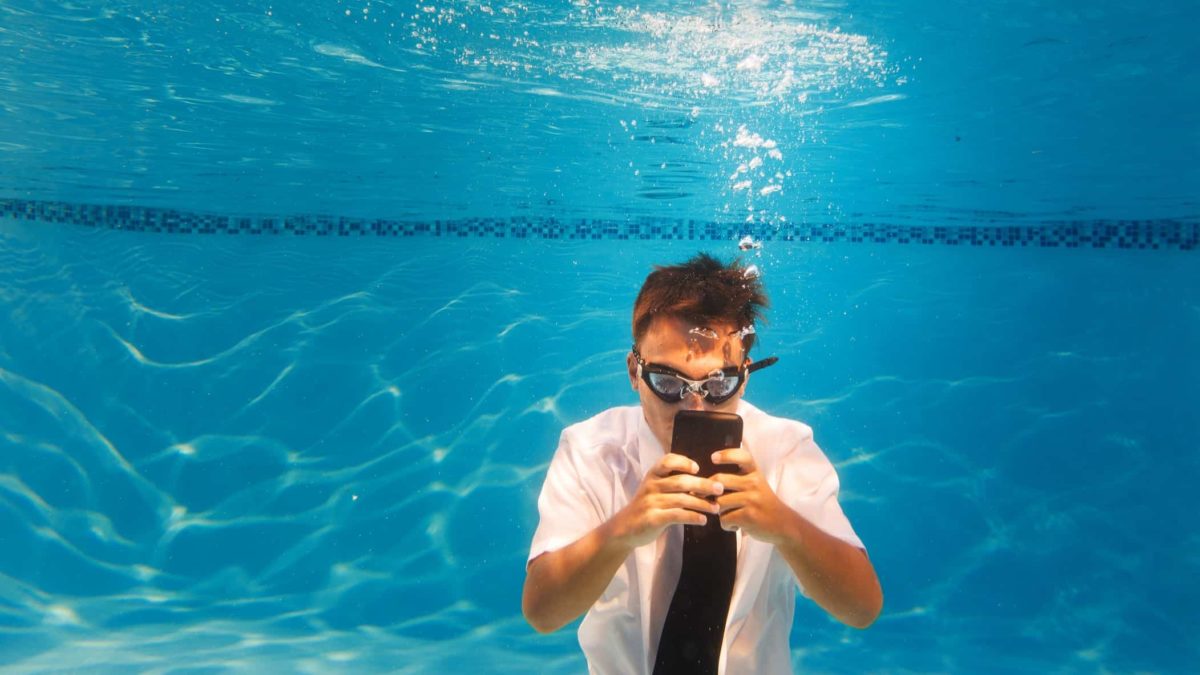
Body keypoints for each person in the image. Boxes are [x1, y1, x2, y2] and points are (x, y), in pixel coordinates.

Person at [522, 253, 882, 674]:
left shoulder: (784, 452)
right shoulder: (591, 452)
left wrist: (785, 527)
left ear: (744, 376)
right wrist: (623, 530)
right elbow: (542, 613)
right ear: (634, 372)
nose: (694, 405)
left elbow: (862, 609)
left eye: (718, 385)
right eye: (668, 383)